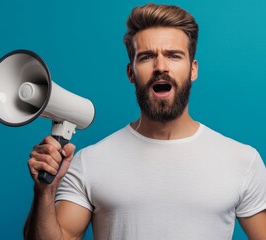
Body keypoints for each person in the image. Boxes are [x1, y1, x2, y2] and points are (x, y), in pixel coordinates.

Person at [23, 3, 266, 239]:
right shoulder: (89, 163)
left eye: (173, 56)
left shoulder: (242, 161)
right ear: (131, 73)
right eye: (147, 57)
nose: (161, 67)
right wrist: (44, 191)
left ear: (193, 69)